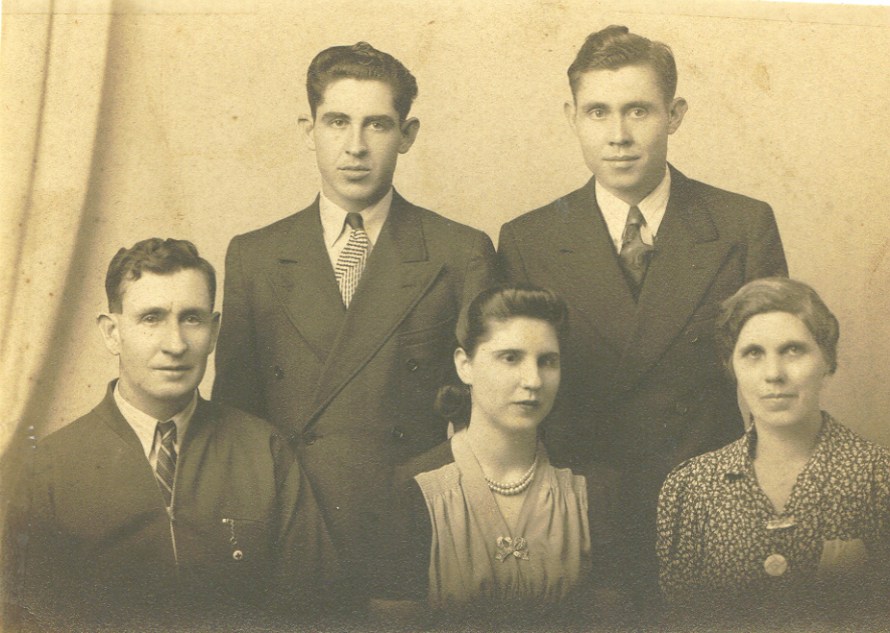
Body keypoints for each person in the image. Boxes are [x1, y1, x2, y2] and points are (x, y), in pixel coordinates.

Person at [497, 25, 787, 605]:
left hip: (710, 505)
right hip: (580, 512)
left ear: (674, 115)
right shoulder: (529, 239)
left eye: (639, 111)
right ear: (572, 117)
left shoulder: (742, 225)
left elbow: (777, 384)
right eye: (598, 112)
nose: (619, 136)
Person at [212, 41, 498, 607]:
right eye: (337, 121)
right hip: (292, 528)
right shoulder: (255, 255)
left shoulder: (459, 252)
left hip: (410, 530)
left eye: (378, 125)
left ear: (407, 134)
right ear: (309, 129)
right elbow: (234, 420)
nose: (356, 145)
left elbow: (484, 420)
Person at [9, 238, 336, 632]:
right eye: (151, 318)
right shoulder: (48, 468)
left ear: (214, 332)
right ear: (112, 332)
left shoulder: (264, 451)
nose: (175, 344)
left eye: (192, 319)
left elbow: (316, 609)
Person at [376, 286, 622, 629]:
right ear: (465, 365)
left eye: (547, 361)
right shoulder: (412, 490)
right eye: (510, 358)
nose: (533, 380)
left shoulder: (593, 489)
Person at [657, 277, 890, 629]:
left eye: (793, 350)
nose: (773, 374)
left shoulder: (879, 478)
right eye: (753, 353)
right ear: (732, 367)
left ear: (827, 361)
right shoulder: (690, 489)